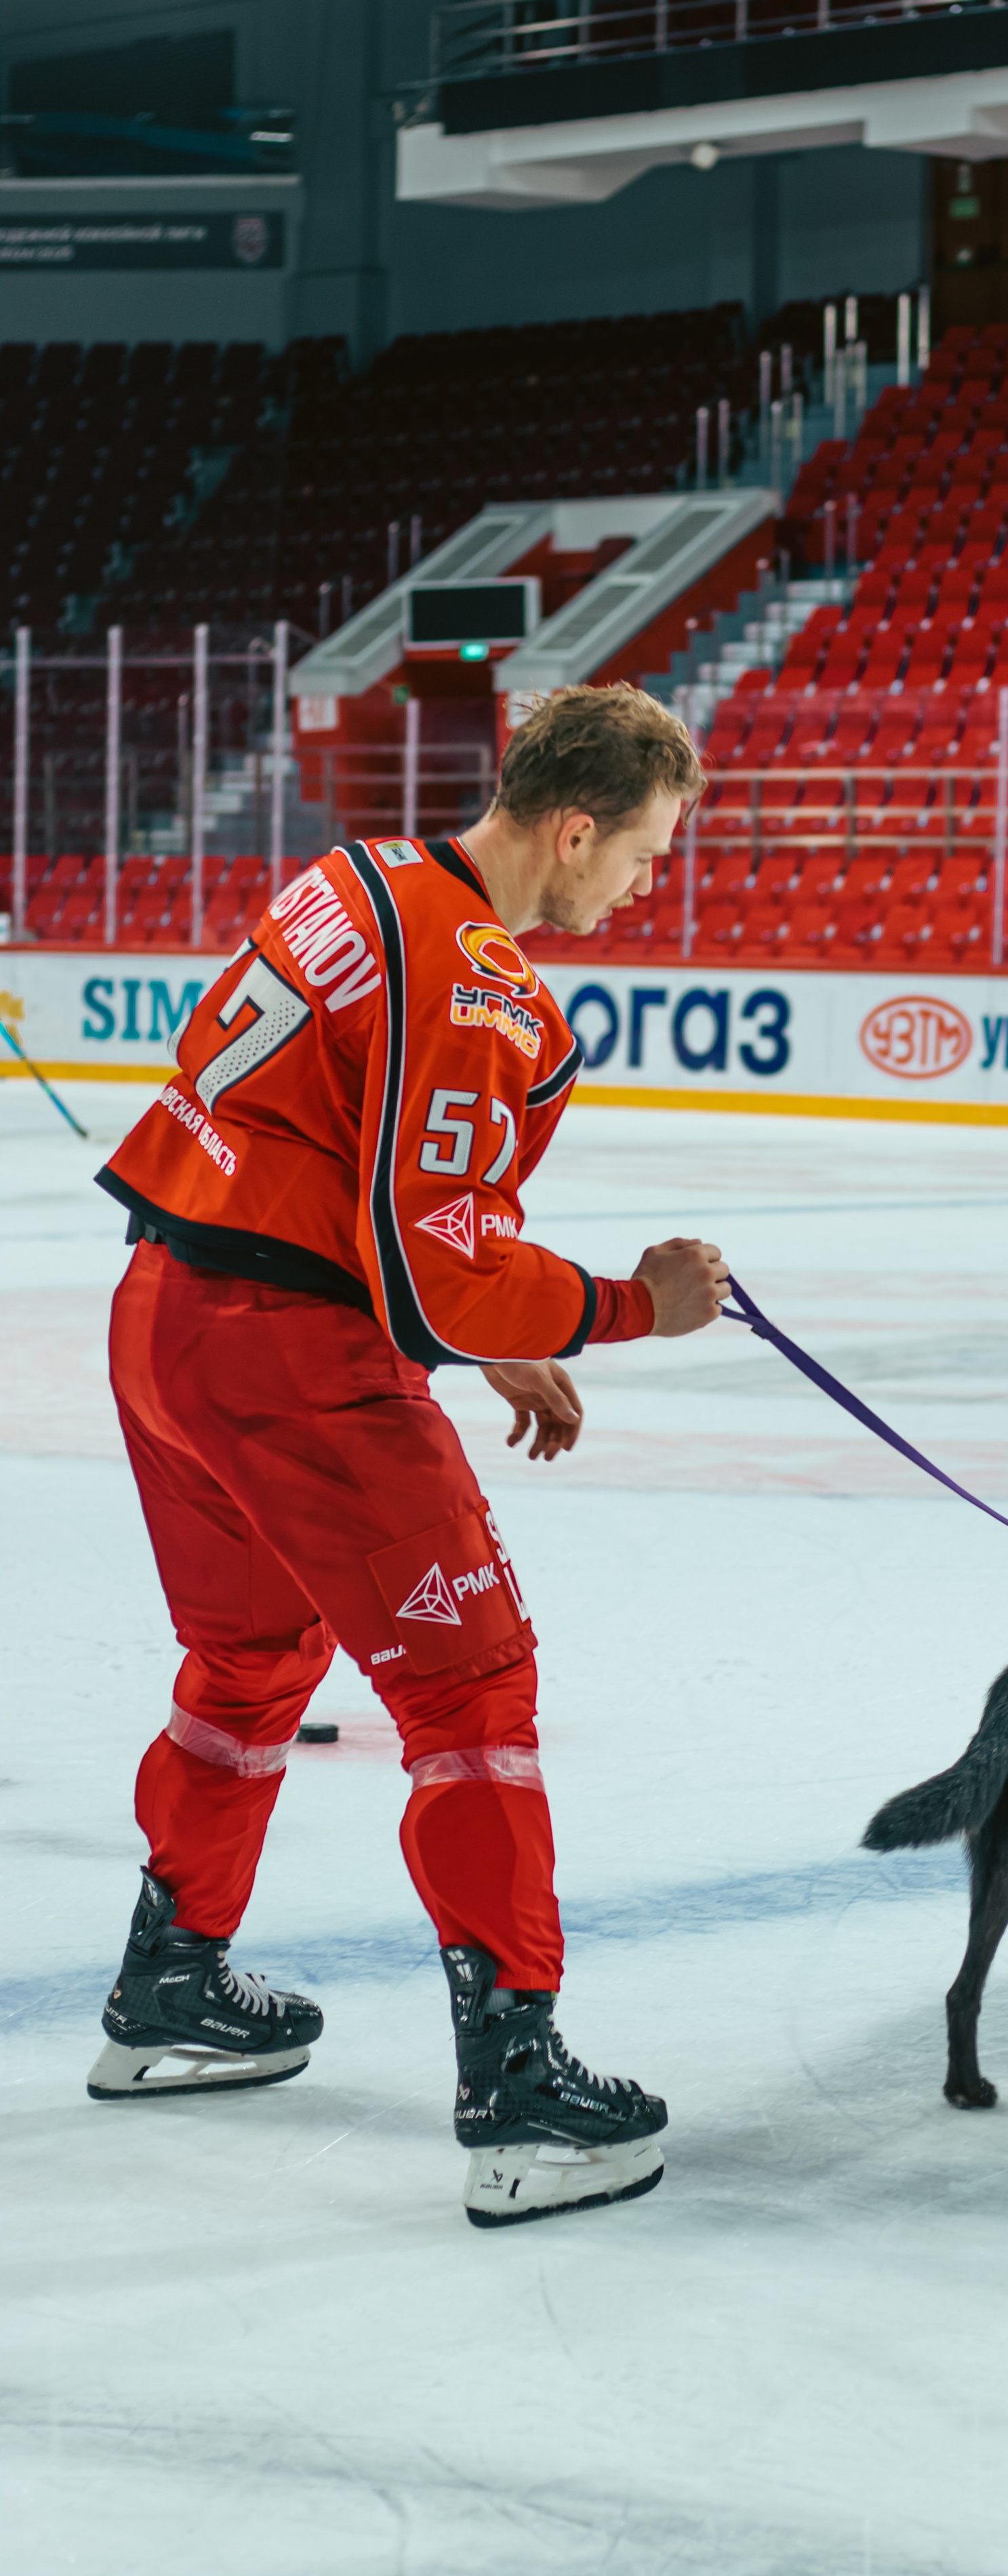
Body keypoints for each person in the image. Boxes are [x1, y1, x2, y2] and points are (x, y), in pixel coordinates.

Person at [88, 682, 729, 2228]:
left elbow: (344, 1169)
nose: (640, 886)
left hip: (164, 1321)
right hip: (290, 1365)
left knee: (247, 1656)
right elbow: (433, 1256)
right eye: (640, 854)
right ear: (571, 827)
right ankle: (518, 2086)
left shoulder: (350, 877)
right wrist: (631, 1306)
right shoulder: (487, 987)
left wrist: (474, 1326)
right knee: (472, 1692)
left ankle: (168, 1984)